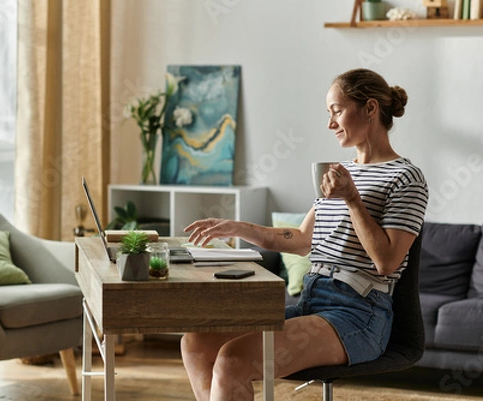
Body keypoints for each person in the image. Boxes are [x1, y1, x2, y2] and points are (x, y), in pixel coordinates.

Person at [181, 68, 429, 401]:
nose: (330, 124)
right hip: (311, 302)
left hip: (358, 315)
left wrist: (352, 199)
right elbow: (299, 239)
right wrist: (237, 227)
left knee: (232, 360)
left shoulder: (406, 178)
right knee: (195, 342)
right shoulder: (341, 172)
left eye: (336, 111)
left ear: (370, 109)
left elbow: (386, 262)